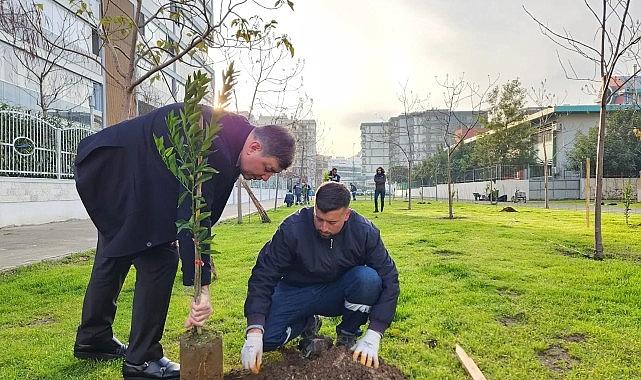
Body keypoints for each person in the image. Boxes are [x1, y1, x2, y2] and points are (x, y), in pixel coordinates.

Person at [72, 103, 295, 380]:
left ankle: (93, 339)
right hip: (115, 171)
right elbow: (195, 213)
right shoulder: (214, 148)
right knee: (161, 259)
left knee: (114, 250)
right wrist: (202, 287)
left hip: (114, 173)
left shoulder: (229, 133)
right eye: (267, 168)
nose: (265, 176)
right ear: (254, 147)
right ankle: (142, 360)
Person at [240, 182, 399, 373]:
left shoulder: (364, 232)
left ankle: (347, 335)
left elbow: (390, 279)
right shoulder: (293, 229)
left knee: (368, 280)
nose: (323, 227)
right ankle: (307, 323)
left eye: (332, 222)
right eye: (319, 218)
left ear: (346, 214)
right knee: (267, 338)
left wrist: (375, 333)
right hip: (295, 291)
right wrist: (255, 331)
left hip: (336, 293)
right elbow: (263, 274)